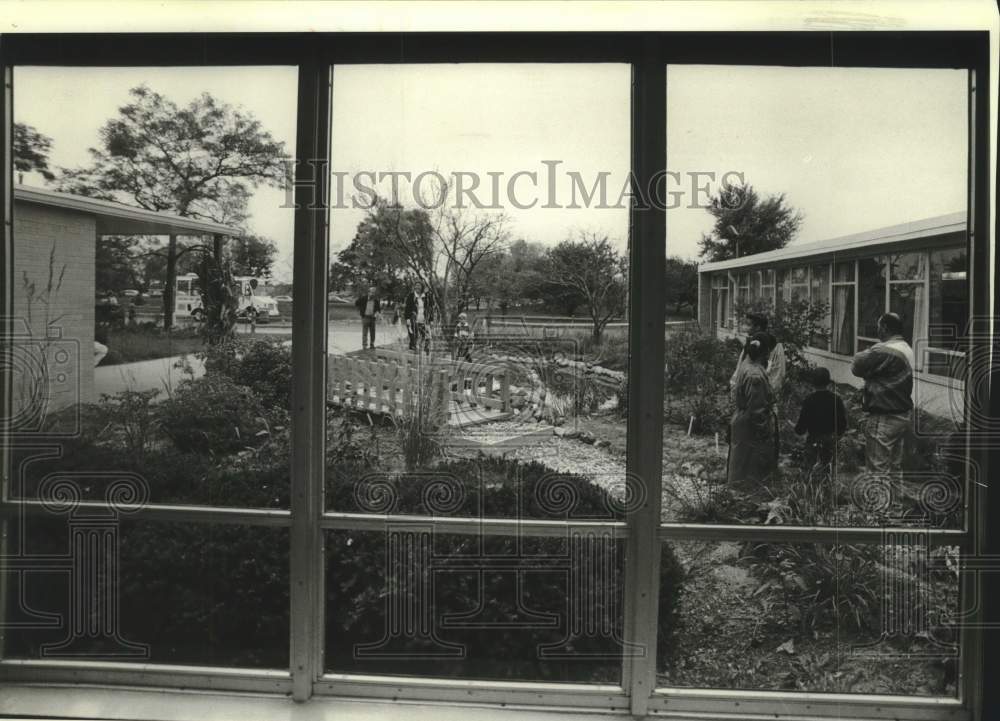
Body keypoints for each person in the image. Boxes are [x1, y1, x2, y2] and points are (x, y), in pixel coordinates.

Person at [851, 312, 914, 476]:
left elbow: (856, 365)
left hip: (884, 417)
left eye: (879, 327)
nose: (877, 331)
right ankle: (896, 503)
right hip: (902, 415)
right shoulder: (907, 348)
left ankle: (879, 502)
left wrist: (870, 366)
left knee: (877, 470)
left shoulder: (885, 350)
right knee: (895, 468)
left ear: (884, 328)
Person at [727, 333, 778, 487]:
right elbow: (757, 409)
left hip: (744, 420)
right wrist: (764, 432)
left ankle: (740, 494)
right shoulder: (755, 374)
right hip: (751, 426)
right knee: (750, 467)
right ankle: (747, 499)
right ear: (766, 352)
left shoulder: (747, 365)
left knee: (741, 464)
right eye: (770, 351)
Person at [794, 366, 849, 472]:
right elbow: (842, 424)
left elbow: (801, 428)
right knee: (827, 470)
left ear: (813, 382)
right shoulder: (836, 400)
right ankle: (827, 487)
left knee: (809, 471)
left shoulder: (809, 400)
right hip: (829, 440)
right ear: (828, 382)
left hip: (813, 440)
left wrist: (797, 430)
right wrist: (837, 436)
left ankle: (809, 486)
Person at [730, 312, 786, 397]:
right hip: (746, 393)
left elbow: (778, 376)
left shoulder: (775, 347)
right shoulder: (750, 344)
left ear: (758, 327)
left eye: (749, 325)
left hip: (762, 396)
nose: (746, 328)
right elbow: (740, 367)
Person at [404, 281, 433, 353]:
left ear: (422, 287)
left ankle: (425, 350)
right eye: (416, 286)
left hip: (424, 319)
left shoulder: (426, 297)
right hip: (413, 319)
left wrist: (431, 319)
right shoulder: (411, 296)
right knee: (414, 336)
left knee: (427, 335)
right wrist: (407, 318)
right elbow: (407, 308)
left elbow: (430, 308)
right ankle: (413, 351)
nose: (417, 287)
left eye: (419, 286)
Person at [354, 285, 381, 351]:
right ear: (368, 292)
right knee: (365, 332)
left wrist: (377, 313)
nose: (373, 294)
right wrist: (360, 310)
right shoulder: (363, 298)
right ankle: (364, 346)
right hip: (365, 317)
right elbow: (356, 303)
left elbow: (378, 309)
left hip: (372, 318)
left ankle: (372, 344)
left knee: (373, 332)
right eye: (372, 292)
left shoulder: (376, 300)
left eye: (374, 293)